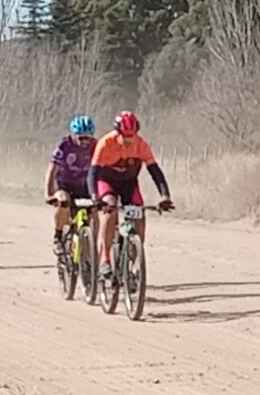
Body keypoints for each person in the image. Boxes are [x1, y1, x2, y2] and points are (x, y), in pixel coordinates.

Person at [87, 111, 174, 278]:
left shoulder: (141, 145)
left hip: (129, 184)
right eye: (125, 136)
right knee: (109, 209)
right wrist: (94, 197)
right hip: (107, 182)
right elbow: (93, 173)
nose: (128, 140)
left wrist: (165, 196)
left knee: (139, 216)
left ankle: (134, 262)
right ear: (117, 132)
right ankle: (104, 258)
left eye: (132, 136)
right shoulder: (105, 143)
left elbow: (155, 171)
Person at [45, 116, 98, 255]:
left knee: (96, 210)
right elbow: (52, 170)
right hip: (65, 185)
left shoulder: (96, 145)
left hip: (85, 186)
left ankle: (92, 249)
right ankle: (58, 236)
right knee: (63, 201)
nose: (84, 142)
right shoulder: (65, 146)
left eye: (88, 138)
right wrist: (48, 194)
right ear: (74, 135)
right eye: (81, 138)